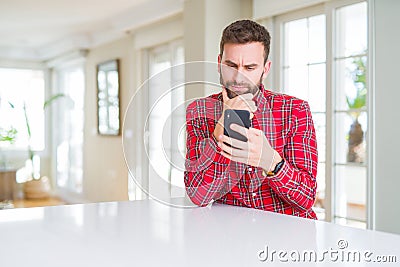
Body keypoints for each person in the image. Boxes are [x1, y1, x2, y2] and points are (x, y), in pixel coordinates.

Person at [184, 20, 318, 219]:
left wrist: (271, 162)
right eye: (231, 65)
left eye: (250, 68)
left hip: (288, 236)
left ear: (265, 68)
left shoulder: (295, 110)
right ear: (219, 62)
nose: (239, 78)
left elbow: (306, 198)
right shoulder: (199, 111)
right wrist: (221, 129)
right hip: (231, 235)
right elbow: (198, 195)